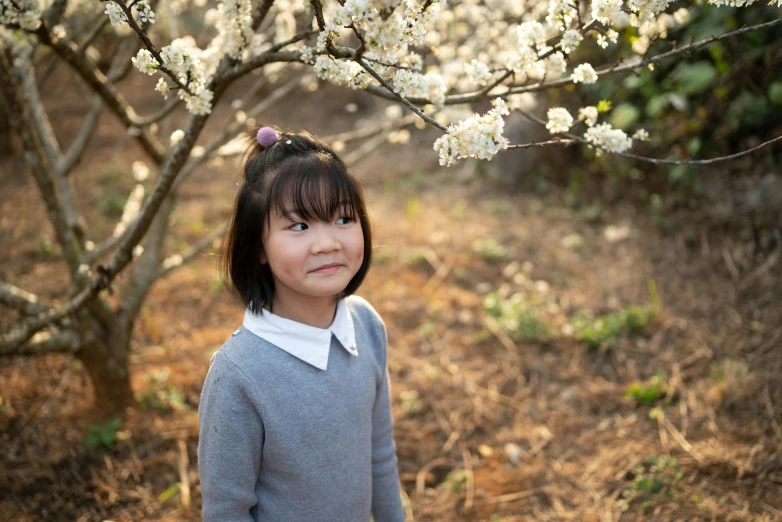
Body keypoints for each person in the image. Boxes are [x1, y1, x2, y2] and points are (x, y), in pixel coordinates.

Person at [197, 126, 406, 522]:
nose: (327, 242)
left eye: (343, 218)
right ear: (257, 245)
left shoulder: (365, 327)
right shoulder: (239, 375)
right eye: (299, 226)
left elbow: (380, 454)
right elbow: (226, 510)